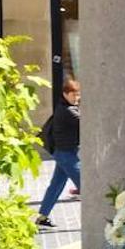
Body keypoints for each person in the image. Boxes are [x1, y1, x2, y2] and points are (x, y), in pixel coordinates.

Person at [36, 78, 81, 228]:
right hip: (67, 155)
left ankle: (42, 217)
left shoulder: (65, 107)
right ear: (65, 94)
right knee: (86, 186)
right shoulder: (68, 111)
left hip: (63, 153)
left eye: (78, 95)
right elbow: (85, 122)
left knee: (56, 185)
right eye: (74, 95)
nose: (76, 98)